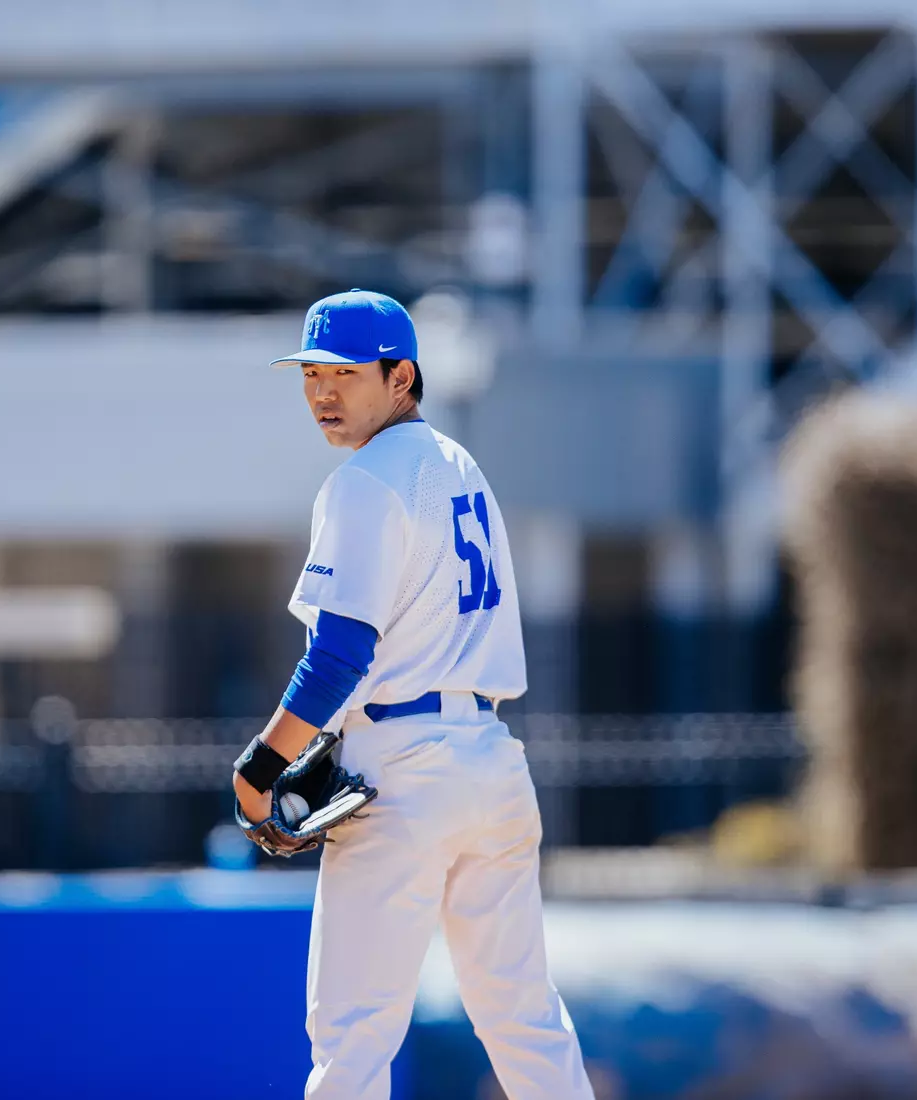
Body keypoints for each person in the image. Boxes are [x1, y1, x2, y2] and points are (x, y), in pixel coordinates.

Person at [231, 289, 594, 1099]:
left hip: (403, 769)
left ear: (402, 377)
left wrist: (260, 768)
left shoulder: (364, 482)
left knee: (352, 1037)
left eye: (347, 373)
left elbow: (339, 658)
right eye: (312, 373)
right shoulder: (460, 466)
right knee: (524, 1017)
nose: (324, 392)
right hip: (493, 764)